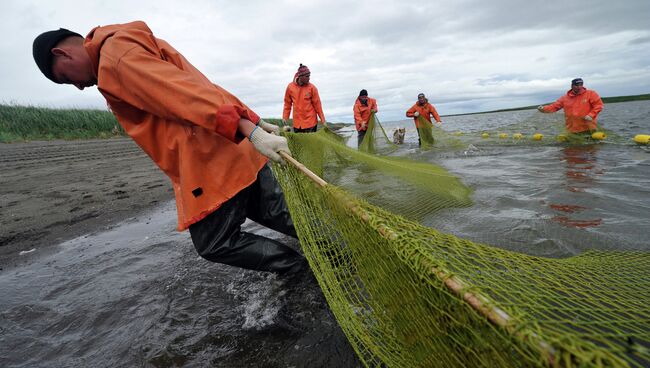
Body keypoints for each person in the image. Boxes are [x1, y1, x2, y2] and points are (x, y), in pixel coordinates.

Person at [32, 21, 307, 275]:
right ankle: (337, 255)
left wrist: (249, 128)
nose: (78, 87)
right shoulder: (124, 43)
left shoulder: (114, 60)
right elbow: (201, 86)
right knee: (282, 215)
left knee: (215, 242)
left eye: (67, 79)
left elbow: (184, 95)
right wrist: (252, 121)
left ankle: (297, 269)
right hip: (234, 149)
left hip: (209, 161)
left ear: (62, 53)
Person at [537, 78, 604, 133]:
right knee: (571, 149)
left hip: (588, 128)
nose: (579, 87)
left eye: (581, 85)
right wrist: (543, 109)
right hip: (572, 130)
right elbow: (554, 107)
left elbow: (599, 105)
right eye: (577, 85)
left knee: (590, 149)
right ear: (572, 86)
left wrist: (591, 115)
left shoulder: (591, 93)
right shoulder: (565, 98)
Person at [282, 64, 327, 133]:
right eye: (307, 76)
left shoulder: (312, 88)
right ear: (300, 76)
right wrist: (285, 117)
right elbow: (287, 104)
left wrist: (323, 120)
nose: (309, 78)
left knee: (311, 143)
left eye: (309, 76)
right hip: (297, 123)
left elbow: (318, 105)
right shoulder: (290, 87)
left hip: (311, 122)